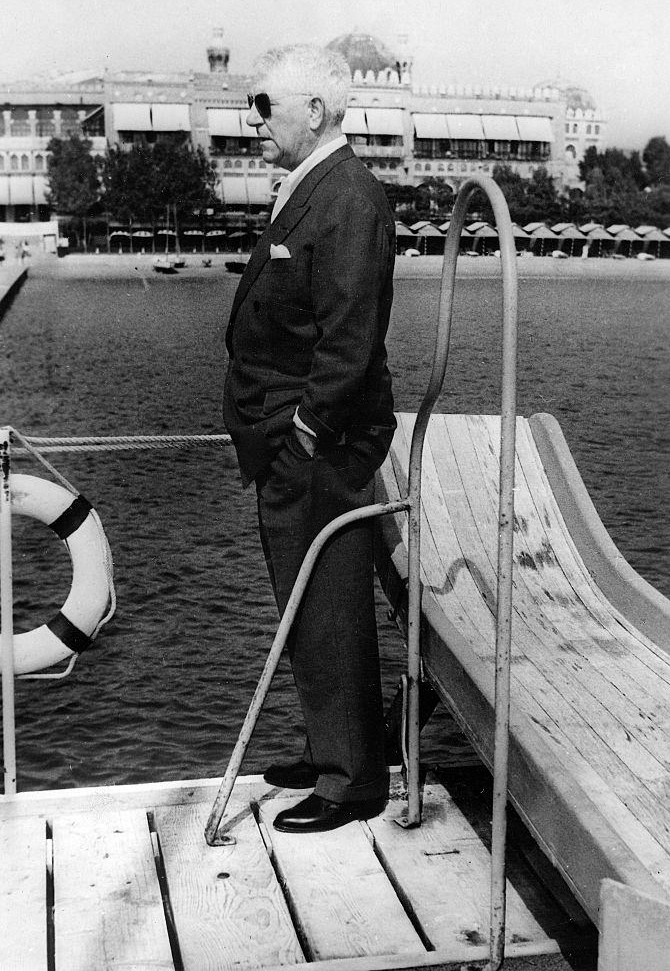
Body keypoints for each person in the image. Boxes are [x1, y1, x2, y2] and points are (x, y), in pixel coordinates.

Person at [223, 44, 397, 833]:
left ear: (316, 113)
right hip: (293, 440)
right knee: (304, 603)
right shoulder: (312, 188)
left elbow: (348, 338)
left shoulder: (348, 198)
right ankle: (328, 746)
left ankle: (351, 781)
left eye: (265, 107)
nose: (252, 122)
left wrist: (302, 432)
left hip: (317, 444)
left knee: (326, 606)